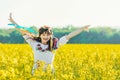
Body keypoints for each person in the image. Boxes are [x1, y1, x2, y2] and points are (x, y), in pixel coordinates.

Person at [8, 13, 90, 75]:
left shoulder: (55, 44)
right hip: (36, 71)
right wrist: (12, 21)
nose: (46, 36)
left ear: (51, 35)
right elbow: (22, 31)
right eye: (43, 34)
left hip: (49, 72)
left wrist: (82, 28)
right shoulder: (34, 43)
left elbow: (69, 36)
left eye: (48, 35)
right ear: (40, 35)